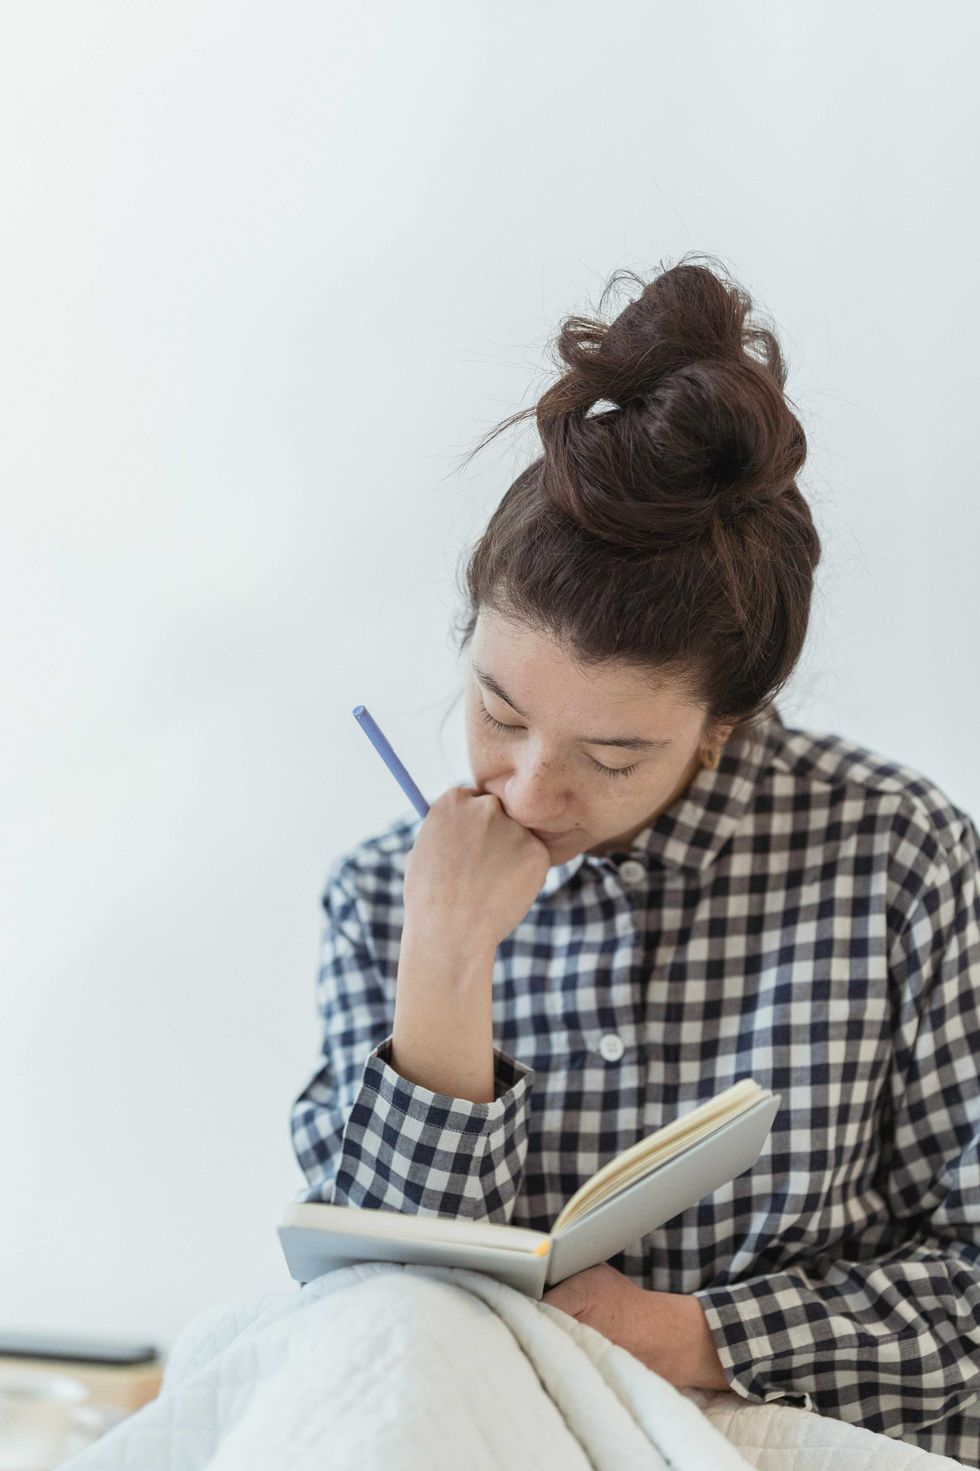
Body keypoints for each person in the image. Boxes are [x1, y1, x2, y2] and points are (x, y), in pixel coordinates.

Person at [289, 253, 980, 1465]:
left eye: (610, 756)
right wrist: (446, 958)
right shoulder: (376, 894)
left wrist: (695, 1335)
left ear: (723, 725)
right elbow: (372, 1317)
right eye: (497, 711)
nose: (526, 788)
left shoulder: (896, 858)